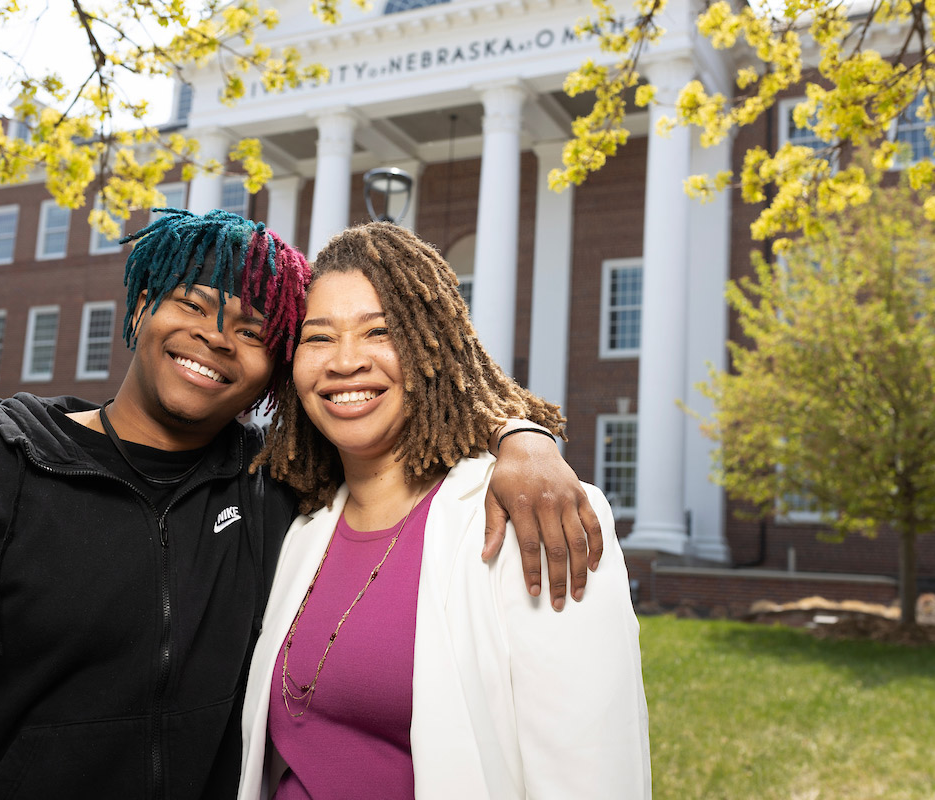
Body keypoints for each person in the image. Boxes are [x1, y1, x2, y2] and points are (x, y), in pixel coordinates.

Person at [0, 210, 601, 799]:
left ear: (274, 373)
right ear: (140, 307)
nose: (216, 336)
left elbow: (386, 400)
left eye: (254, 328)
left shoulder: (275, 500)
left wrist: (523, 435)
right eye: (192, 302)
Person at [240, 222, 650, 799]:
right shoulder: (299, 527)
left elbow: (590, 773)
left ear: (435, 345)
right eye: (319, 337)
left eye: (379, 331)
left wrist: (520, 432)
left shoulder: (524, 519)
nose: (345, 362)